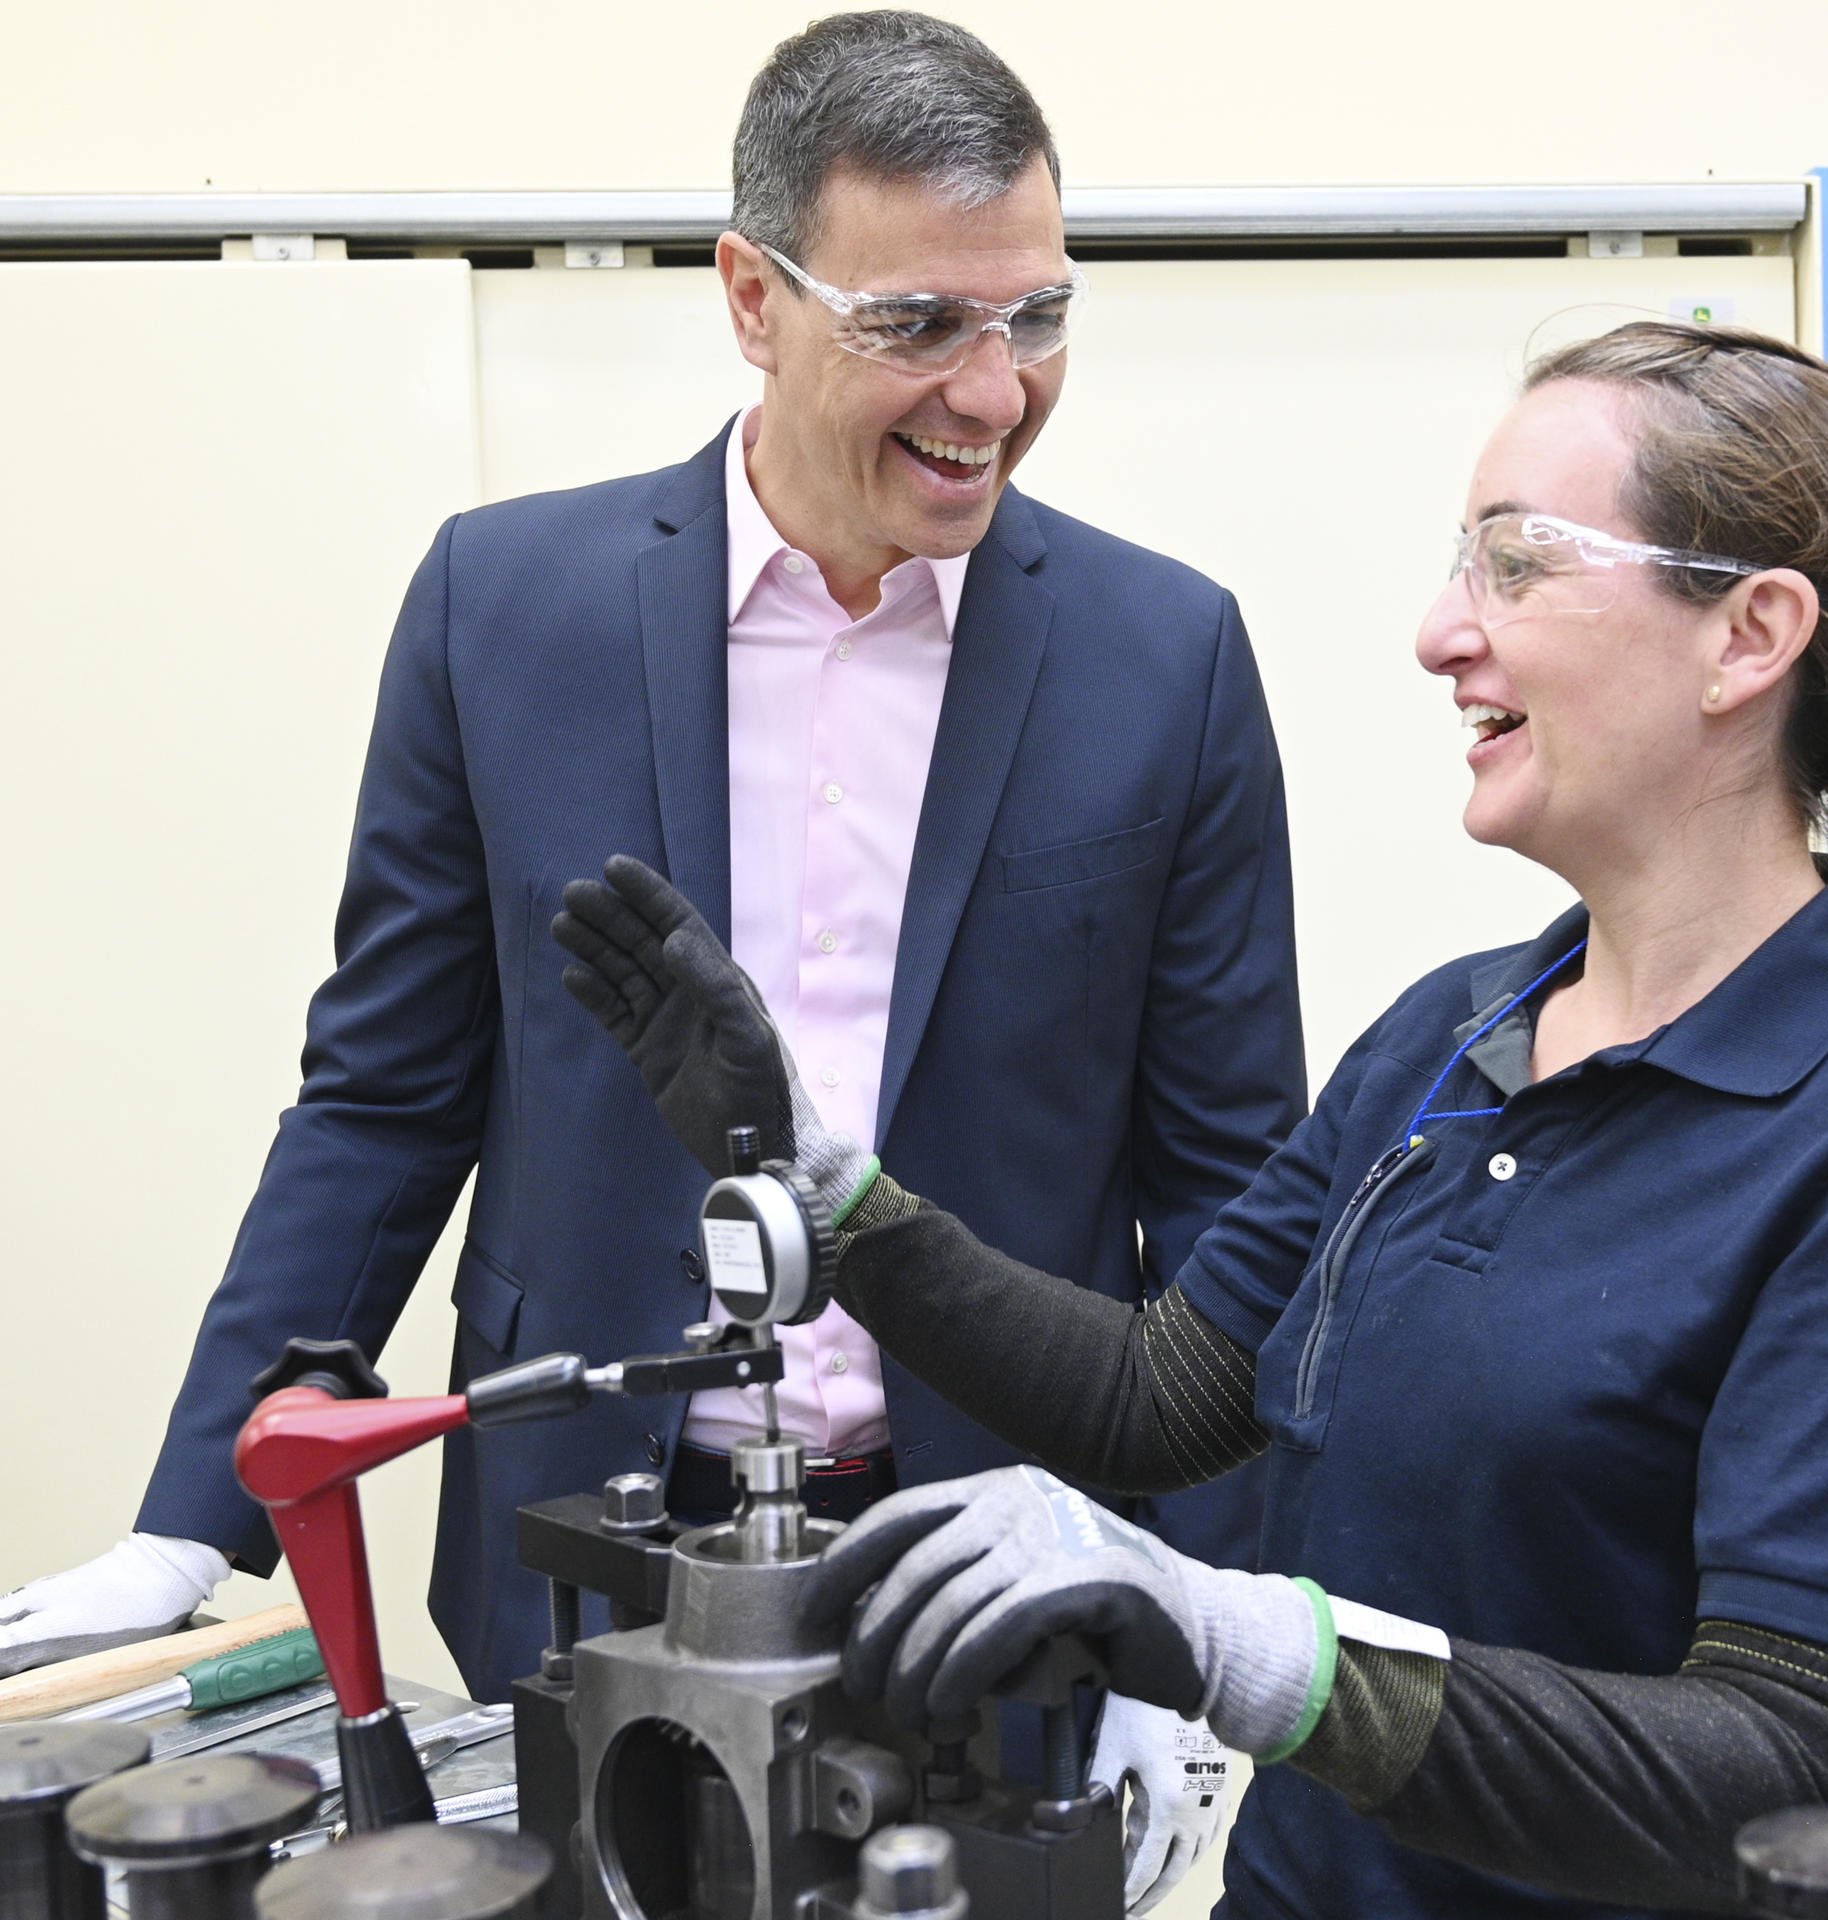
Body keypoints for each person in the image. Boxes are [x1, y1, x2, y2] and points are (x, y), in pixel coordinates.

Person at [0, 14, 1304, 1909]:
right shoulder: (501, 608)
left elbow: (1223, 1181)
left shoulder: (1163, 654)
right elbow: (384, 1091)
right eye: (919, 324)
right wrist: (197, 1514)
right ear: (751, 298)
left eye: (1037, 319)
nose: (995, 392)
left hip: (1004, 1557)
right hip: (587, 1545)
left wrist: (1199, 1607)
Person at [553, 320, 1828, 1919]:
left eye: (1518, 565)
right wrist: (831, 1198)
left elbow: (1784, 1759)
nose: (1439, 632)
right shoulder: (1452, 1029)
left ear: (1749, 633)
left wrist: (1241, 1643)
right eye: (1455, 564)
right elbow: (1162, 1395)